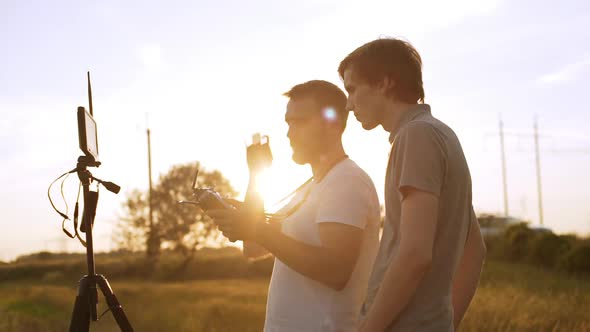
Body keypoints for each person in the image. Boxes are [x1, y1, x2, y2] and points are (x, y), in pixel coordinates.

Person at [206, 80, 381, 332]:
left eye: (299, 122)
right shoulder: (310, 188)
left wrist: (256, 229)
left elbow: (335, 271)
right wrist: (257, 173)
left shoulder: (347, 180)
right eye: (288, 123)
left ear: (331, 123)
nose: (289, 133)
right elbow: (254, 248)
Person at [338, 38, 487, 331]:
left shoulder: (416, 136)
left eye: (352, 89)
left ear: (384, 83)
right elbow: (476, 250)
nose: (348, 104)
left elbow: (415, 254)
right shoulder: (441, 135)